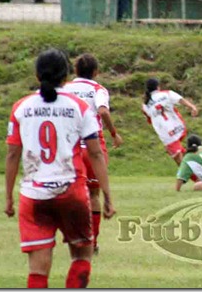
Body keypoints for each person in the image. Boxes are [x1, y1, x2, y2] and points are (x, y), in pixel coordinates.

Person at [4, 48, 115, 288]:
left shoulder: (20, 107)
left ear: (37, 75)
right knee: (82, 256)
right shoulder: (79, 106)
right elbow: (95, 152)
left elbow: (13, 154)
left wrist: (8, 199)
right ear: (66, 76)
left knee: (37, 270)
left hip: (33, 195)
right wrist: (107, 196)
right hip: (71, 191)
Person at [63, 53, 123, 253]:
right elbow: (104, 111)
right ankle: (93, 242)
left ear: (75, 70)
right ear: (96, 72)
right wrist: (114, 133)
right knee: (94, 194)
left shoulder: (65, 88)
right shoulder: (98, 89)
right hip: (92, 147)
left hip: (68, 146)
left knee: (71, 193)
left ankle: (74, 237)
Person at [142, 78, 199, 166]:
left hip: (166, 133)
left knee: (180, 161)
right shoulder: (167, 93)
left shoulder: (145, 105)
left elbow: (149, 120)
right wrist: (192, 107)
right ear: (158, 87)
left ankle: (197, 177)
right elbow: (180, 99)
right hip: (177, 127)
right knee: (183, 153)